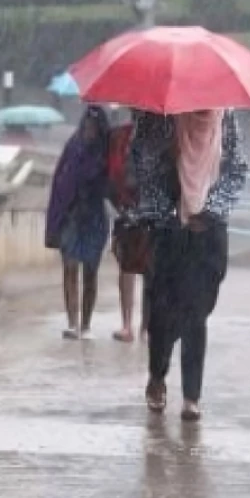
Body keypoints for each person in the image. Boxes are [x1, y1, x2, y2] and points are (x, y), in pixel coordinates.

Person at [128, 109, 248, 421]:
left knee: (198, 312)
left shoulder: (225, 117)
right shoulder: (158, 115)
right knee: (163, 313)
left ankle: (192, 396)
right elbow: (140, 162)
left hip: (209, 231)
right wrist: (169, 208)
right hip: (167, 229)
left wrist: (210, 210)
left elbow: (237, 169)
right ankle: (158, 374)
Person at [45, 106, 112, 340]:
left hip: (94, 217)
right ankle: (72, 322)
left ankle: (86, 324)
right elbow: (60, 182)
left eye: (94, 126)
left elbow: (113, 184)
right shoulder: (73, 148)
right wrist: (54, 221)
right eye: (87, 125)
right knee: (70, 267)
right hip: (71, 215)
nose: (89, 130)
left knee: (91, 272)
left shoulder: (106, 153)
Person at [107, 117, 151, 343]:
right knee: (126, 267)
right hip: (125, 210)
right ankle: (127, 324)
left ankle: (146, 327)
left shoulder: (161, 135)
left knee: (150, 272)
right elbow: (111, 173)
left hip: (153, 212)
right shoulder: (119, 136)